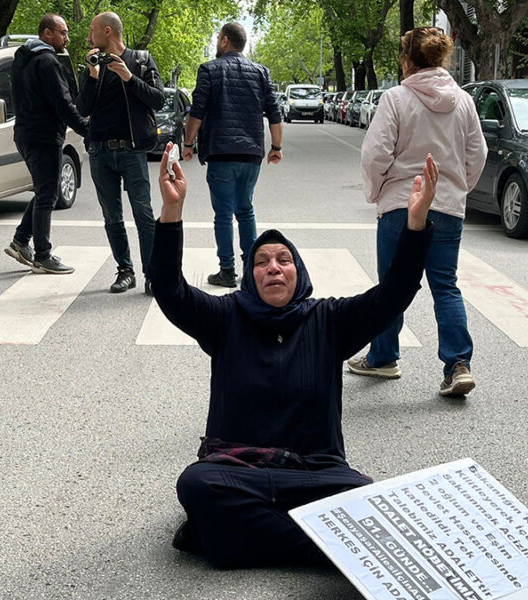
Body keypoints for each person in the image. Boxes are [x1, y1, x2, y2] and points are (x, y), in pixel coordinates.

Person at [149, 141, 437, 569]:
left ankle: (230, 539)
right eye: (262, 262)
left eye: (284, 260)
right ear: (251, 277)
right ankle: (327, 546)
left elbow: (394, 294)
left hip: (316, 473)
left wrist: (416, 223)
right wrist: (172, 212)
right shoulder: (225, 317)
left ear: (298, 272)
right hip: (239, 469)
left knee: (365, 496)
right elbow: (170, 291)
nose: (273, 267)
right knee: (196, 483)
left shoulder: (329, 320)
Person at [348, 27, 487, 397]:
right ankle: (458, 365)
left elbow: (375, 153)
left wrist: (377, 191)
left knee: (392, 285)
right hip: (447, 205)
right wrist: (457, 188)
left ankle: (383, 358)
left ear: (407, 60)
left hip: (401, 203)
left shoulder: (396, 98)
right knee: (445, 285)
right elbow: (478, 154)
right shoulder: (464, 102)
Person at [182, 22, 283, 288]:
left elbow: (198, 110)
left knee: (224, 214)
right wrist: (276, 147)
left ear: (225, 40)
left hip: (221, 152)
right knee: (246, 210)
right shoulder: (261, 72)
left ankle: (227, 270)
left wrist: (188, 143)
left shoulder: (209, 69)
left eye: (218, 38)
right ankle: (251, 270)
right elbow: (274, 112)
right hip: (251, 153)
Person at [76, 11, 165, 295]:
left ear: (107, 31)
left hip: (131, 150)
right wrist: (92, 76)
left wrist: (128, 77)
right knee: (111, 216)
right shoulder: (93, 66)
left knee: (143, 213)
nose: (88, 38)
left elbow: (159, 99)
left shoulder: (140, 60)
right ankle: (125, 271)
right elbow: (82, 108)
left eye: (92, 31)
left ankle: (152, 274)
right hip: (100, 151)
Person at [4, 14, 89, 274]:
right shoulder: (47, 62)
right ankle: (43, 256)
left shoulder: (22, 59)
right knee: (48, 195)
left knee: (44, 190)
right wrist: (87, 130)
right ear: (47, 33)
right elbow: (63, 103)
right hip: (43, 136)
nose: (67, 38)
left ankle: (20, 241)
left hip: (25, 133)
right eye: (63, 33)